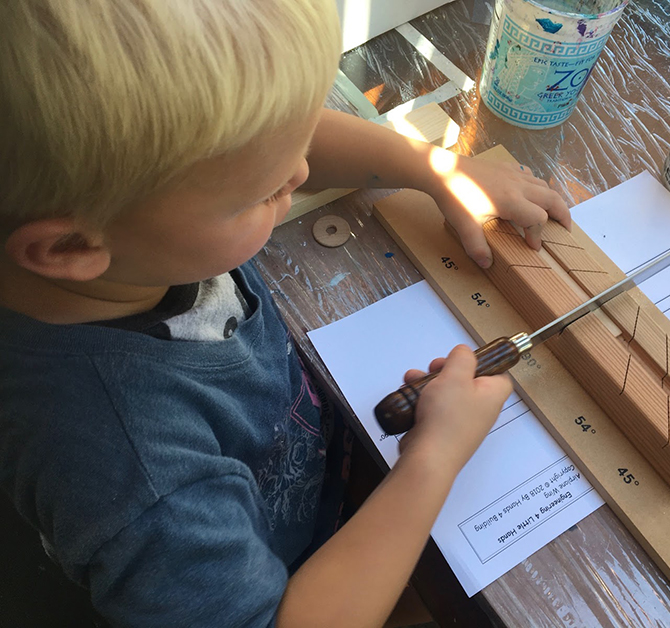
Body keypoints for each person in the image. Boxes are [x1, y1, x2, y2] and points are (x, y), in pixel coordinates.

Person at [0, 1, 571, 626]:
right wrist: (433, 458)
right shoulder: (140, 476)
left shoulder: (128, 232)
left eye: (291, 154)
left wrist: (435, 168)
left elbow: (281, 145)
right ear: (71, 248)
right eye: (266, 190)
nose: (299, 173)